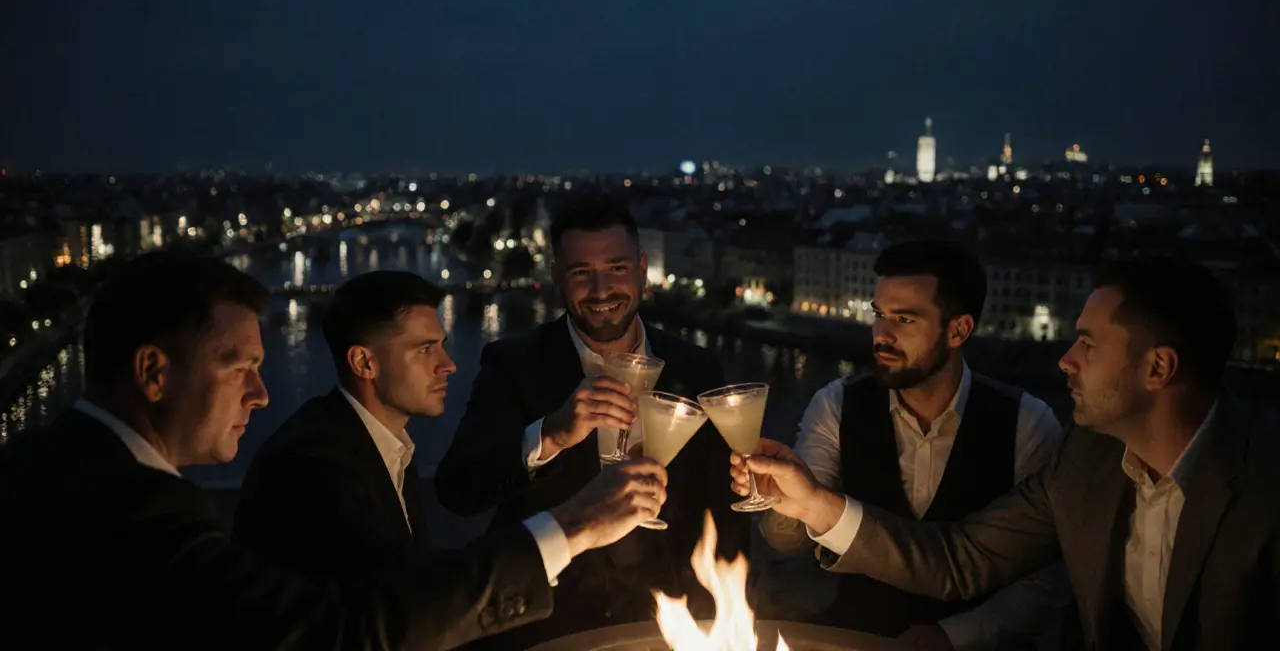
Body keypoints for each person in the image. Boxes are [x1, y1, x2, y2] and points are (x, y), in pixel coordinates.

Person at [0, 250, 668, 651]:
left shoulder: (54, 466)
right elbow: (352, 630)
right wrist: (574, 525)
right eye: (239, 368)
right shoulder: (140, 509)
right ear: (153, 373)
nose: (261, 395)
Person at [733, 257, 1280, 651]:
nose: (1065, 361)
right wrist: (813, 504)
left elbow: (1038, 587)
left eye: (1088, 344)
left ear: (1158, 368)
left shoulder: (1264, 484)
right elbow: (961, 559)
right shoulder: (1085, 459)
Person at [435, 193, 750, 649]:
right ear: (557, 278)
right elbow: (457, 488)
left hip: (668, 626)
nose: (602, 291)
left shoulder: (697, 368)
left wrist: (724, 616)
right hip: (546, 629)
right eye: (582, 273)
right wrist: (551, 434)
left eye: (617, 268)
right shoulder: (513, 364)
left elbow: (723, 507)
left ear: (642, 269)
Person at [760, 239, 1069, 649]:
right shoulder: (836, 404)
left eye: (904, 320)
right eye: (879, 315)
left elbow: (1044, 581)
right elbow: (787, 541)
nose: (881, 335)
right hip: (854, 639)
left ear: (959, 329)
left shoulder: (1028, 423)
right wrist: (776, 501)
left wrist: (953, 637)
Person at [234, 271, 455, 580]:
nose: (448, 364)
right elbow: (396, 590)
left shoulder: (384, 447)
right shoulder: (312, 466)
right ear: (364, 363)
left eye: (442, 345)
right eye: (425, 349)